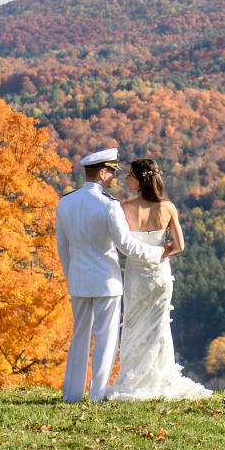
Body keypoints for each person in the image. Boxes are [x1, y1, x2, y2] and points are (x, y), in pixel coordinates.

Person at [55, 148, 171, 403]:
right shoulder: (109, 205)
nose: (114, 177)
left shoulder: (65, 203)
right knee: (106, 339)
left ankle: (71, 395)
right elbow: (126, 246)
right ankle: (97, 395)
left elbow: (63, 248)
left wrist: (71, 275)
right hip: (107, 281)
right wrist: (158, 253)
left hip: (79, 281)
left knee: (79, 336)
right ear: (102, 172)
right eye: (112, 172)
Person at [106, 158, 212, 401]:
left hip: (136, 274)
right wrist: (160, 252)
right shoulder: (168, 208)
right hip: (161, 274)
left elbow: (122, 245)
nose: (126, 178)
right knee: (159, 325)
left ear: (140, 179)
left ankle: (135, 378)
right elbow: (180, 245)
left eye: (130, 175)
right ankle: (159, 376)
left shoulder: (125, 208)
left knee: (133, 324)